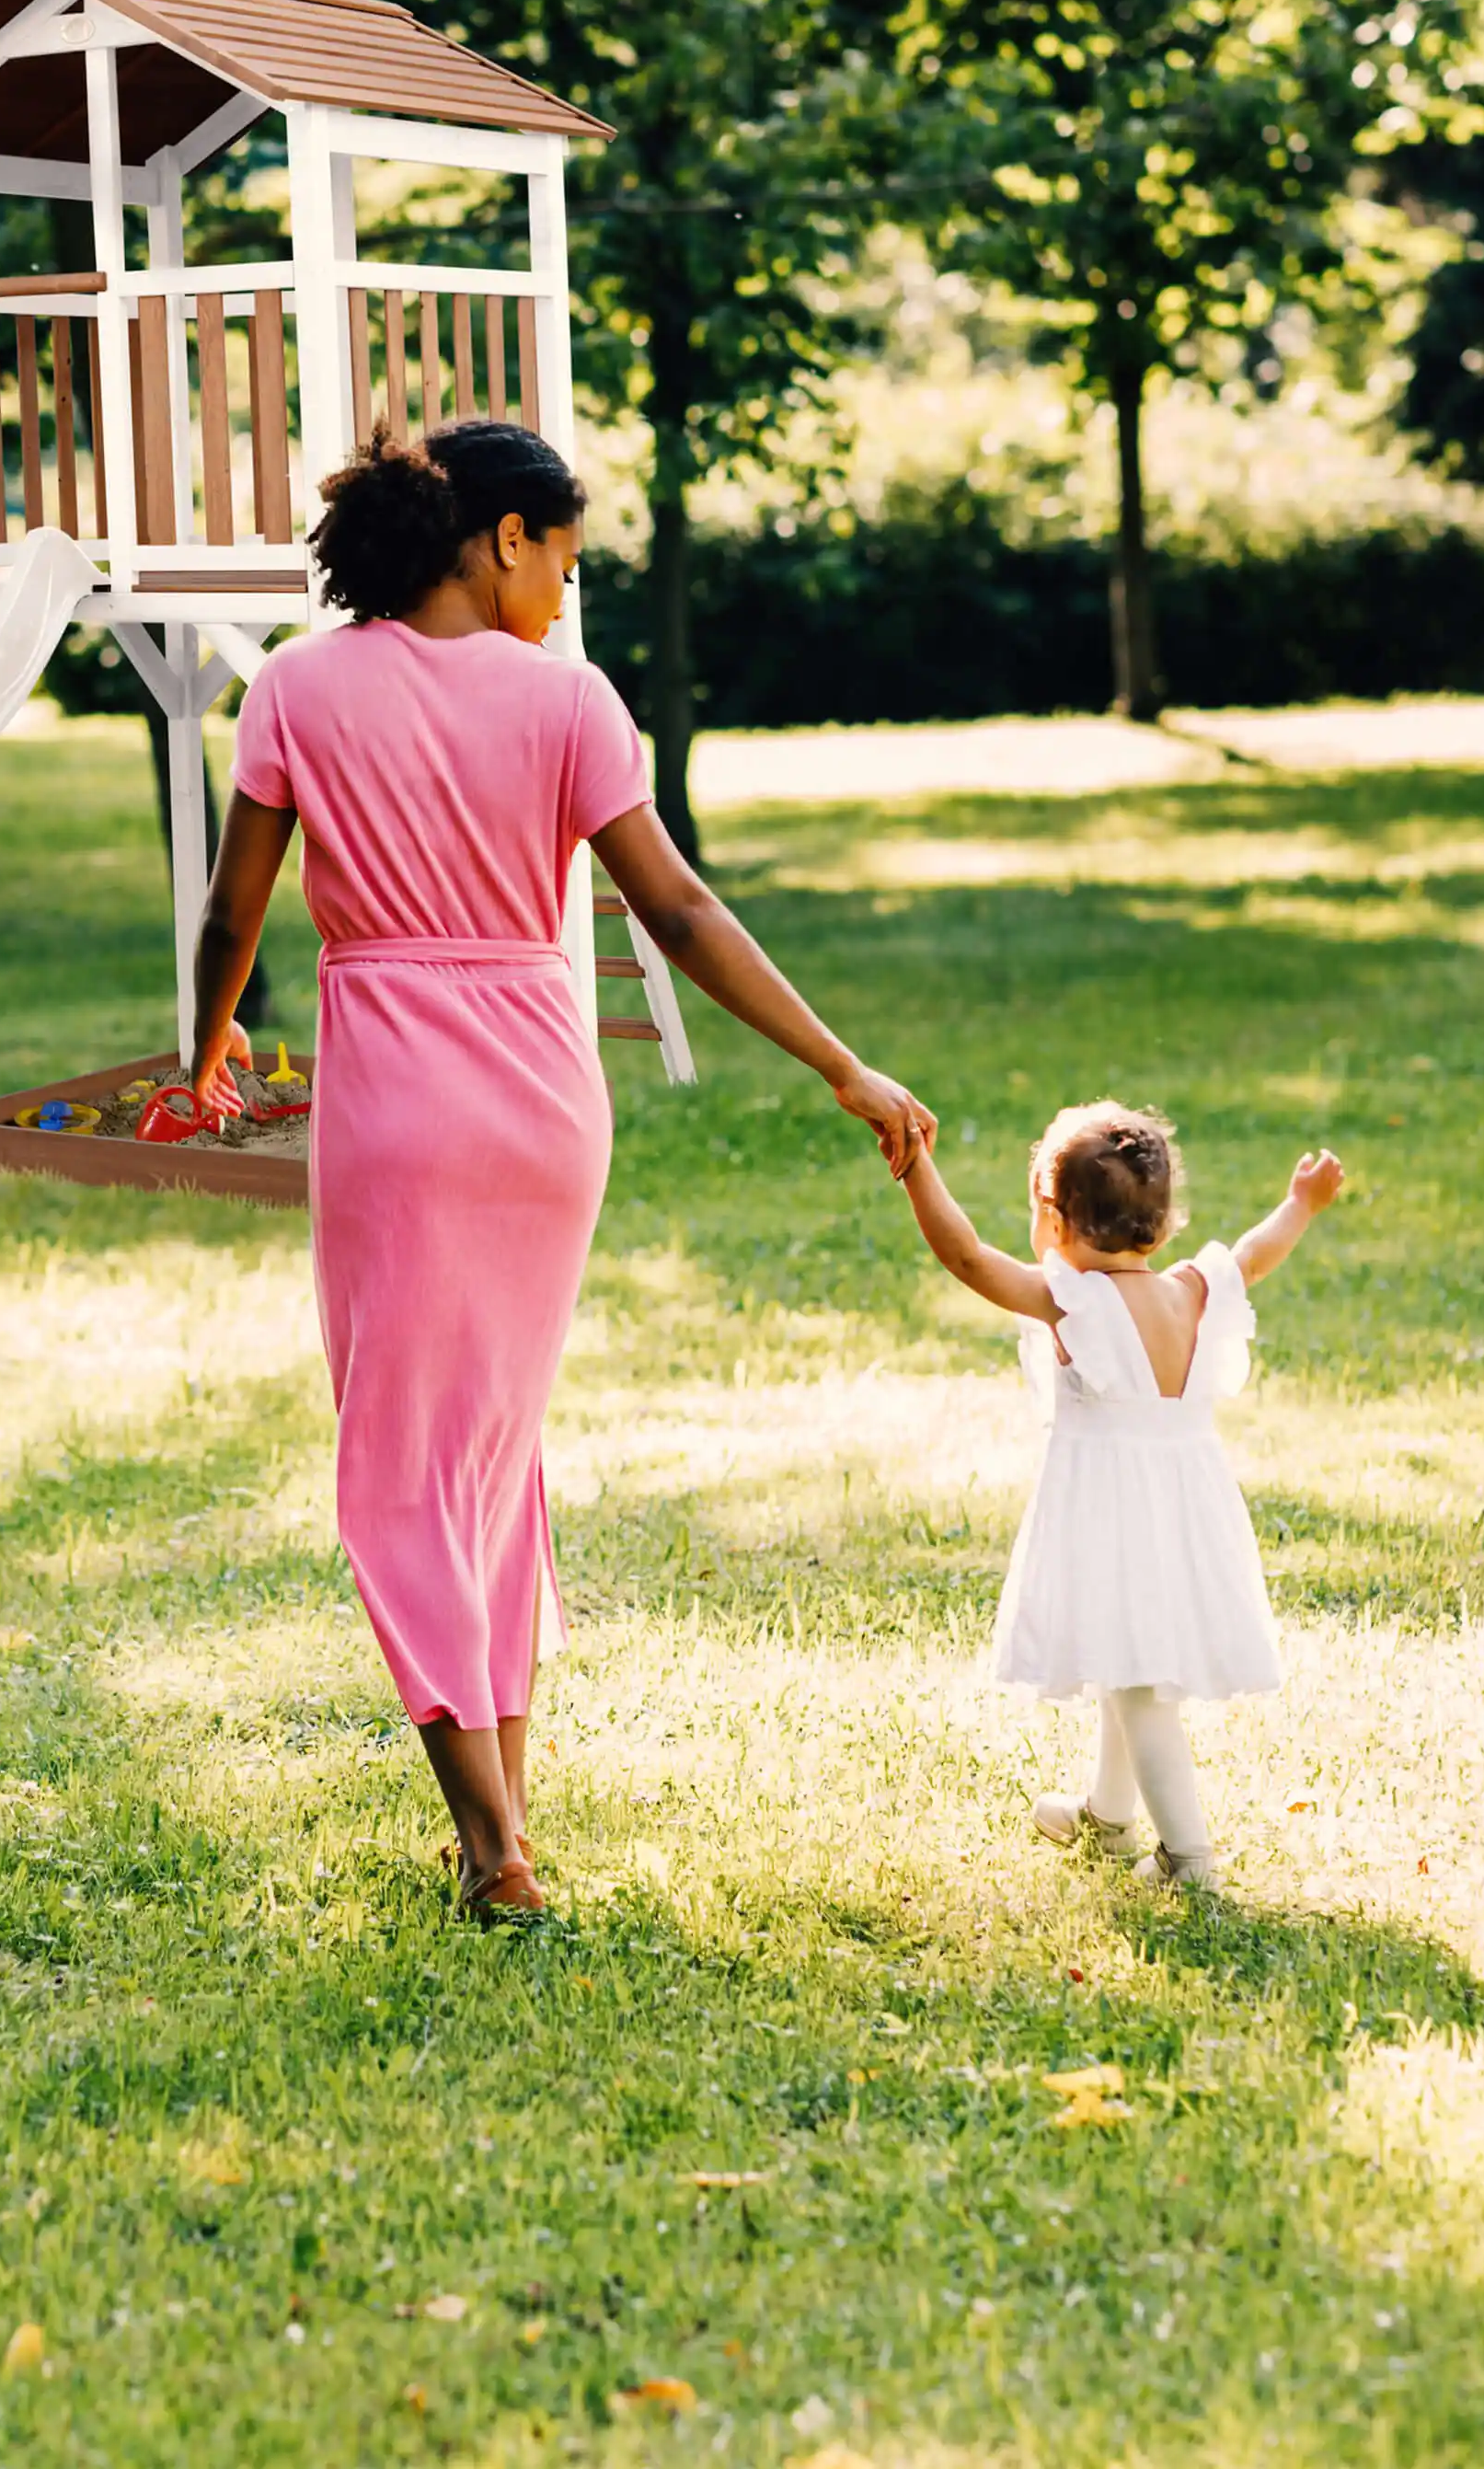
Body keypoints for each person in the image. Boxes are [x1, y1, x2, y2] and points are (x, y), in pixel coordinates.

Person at [185, 422, 935, 1921]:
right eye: (564, 562)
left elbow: (234, 915)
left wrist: (201, 1052)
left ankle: (489, 1844)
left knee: (403, 1467)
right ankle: (504, 1821)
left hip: (396, 1105)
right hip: (542, 1105)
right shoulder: (571, 703)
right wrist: (839, 1062)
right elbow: (679, 911)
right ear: (500, 537)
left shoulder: (296, 687)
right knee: (489, 1455)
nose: (565, 596)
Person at [896, 1100, 1345, 1887]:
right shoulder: (1195, 1289)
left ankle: (1189, 1859)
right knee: (1122, 1655)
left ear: (1055, 1220)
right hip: (1185, 1509)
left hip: (1113, 1513)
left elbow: (966, 1257)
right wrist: (1299, 1204)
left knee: (1139, 1686)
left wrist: (915, 1166)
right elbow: (1255, 1252)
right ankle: (1108, 1816)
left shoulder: (1073, 1302)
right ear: (1164, 1225)